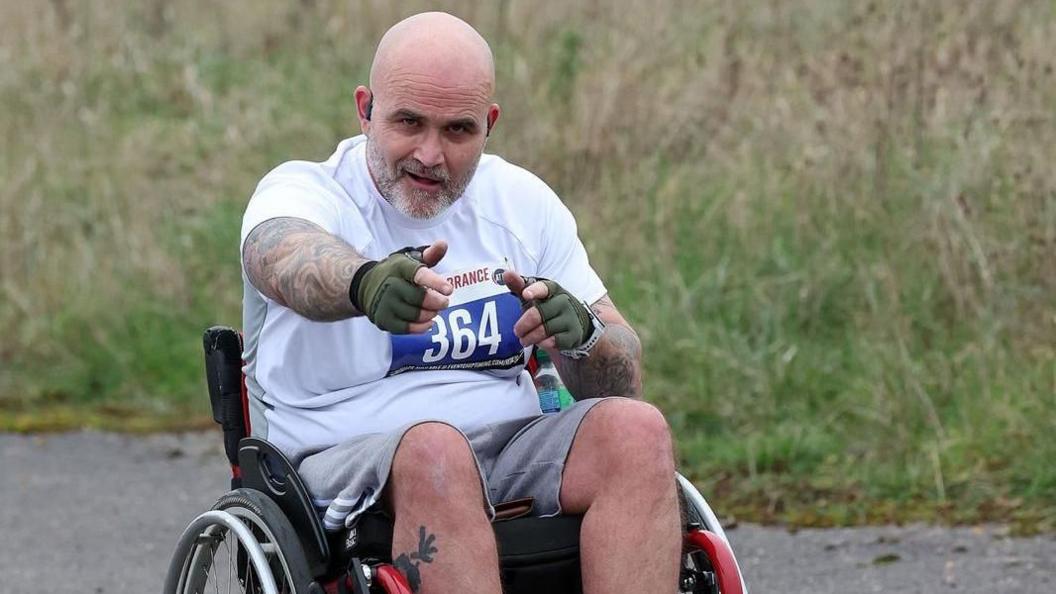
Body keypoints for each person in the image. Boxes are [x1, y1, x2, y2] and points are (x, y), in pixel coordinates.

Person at [239, 11, 680, 594]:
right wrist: (363, 283)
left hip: (506, 442)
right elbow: (282, 256)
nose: (430, 154)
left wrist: (585, 336)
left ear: (489, 123)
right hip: (339, 455)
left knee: (637, 431)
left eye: (458, 130)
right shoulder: (306, 190)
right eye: (408, 122)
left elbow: (624, 378)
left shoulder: (522, 203)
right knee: (435, 448)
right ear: (365, 108)